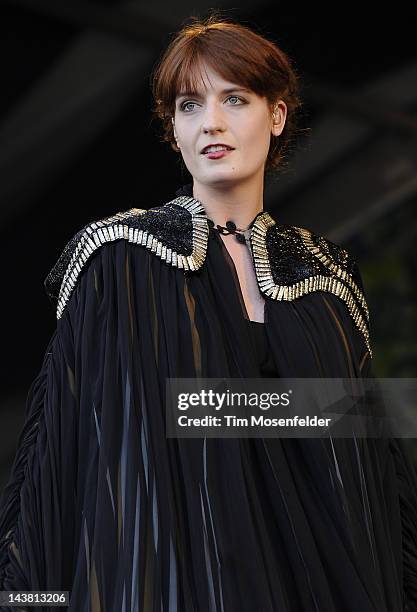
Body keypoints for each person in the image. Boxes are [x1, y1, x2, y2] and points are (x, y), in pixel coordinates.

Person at [1, 13, 417, 612]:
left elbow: (373, 474)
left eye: (235, 98)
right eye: (190, 105)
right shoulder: (121, 259)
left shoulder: (326, 280)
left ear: (276, 116)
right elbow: (64, 456)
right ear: (173, 129)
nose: (211, 123)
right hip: (177, 583)